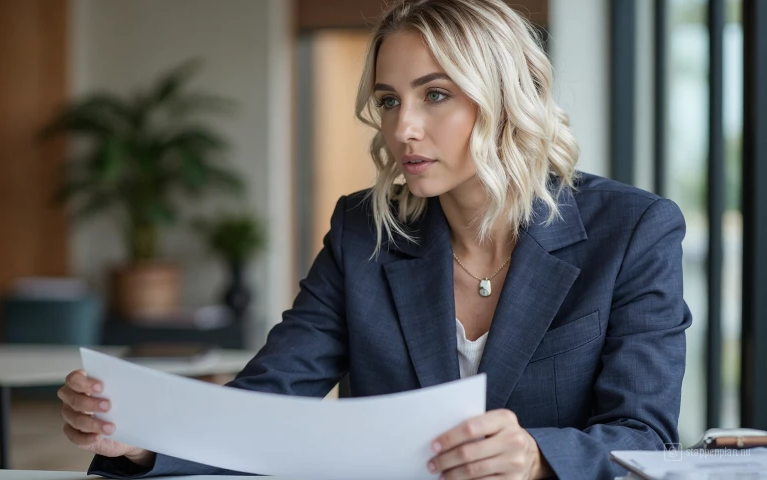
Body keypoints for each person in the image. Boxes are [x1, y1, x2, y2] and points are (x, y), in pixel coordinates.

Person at [58, 0, 691, 478]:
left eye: (435, 94)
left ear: (507, 97)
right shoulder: (365, 229)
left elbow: (645, 437)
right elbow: (269, 402)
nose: (404, 128)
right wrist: (143, 439)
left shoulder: (633, 230)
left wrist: (535, 458)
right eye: (388, 101)